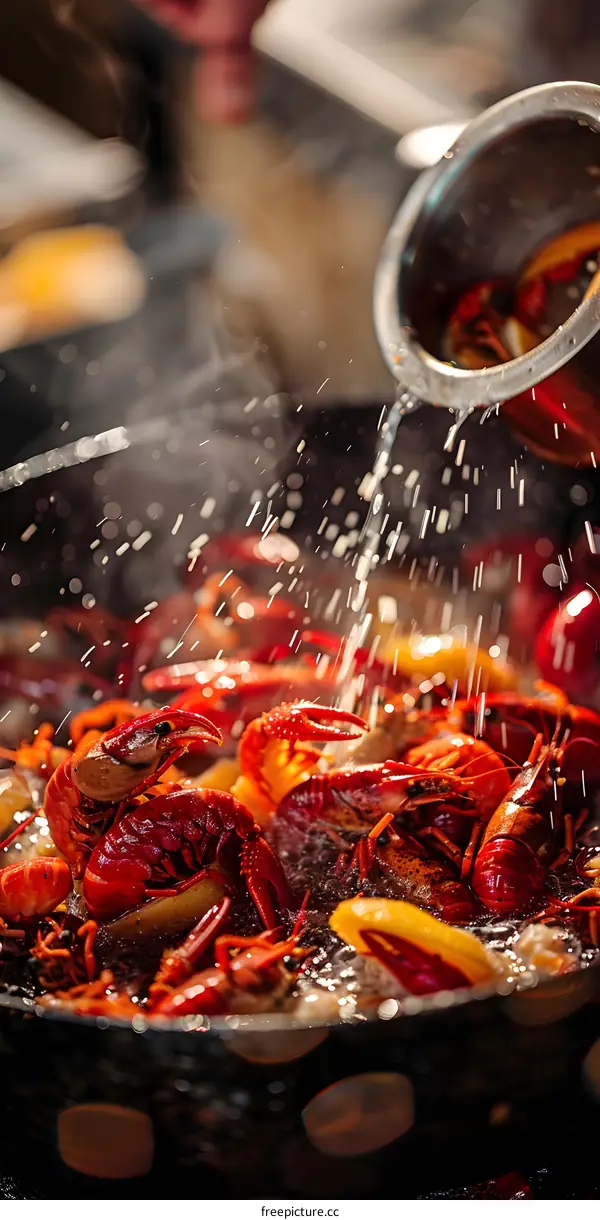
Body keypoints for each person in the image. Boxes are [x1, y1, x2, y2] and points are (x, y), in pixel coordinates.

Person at [133, 0, 271, 122]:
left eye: (227, 78)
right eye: (239, 79)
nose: (233, 68)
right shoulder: (259, 12)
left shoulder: (191, 22)